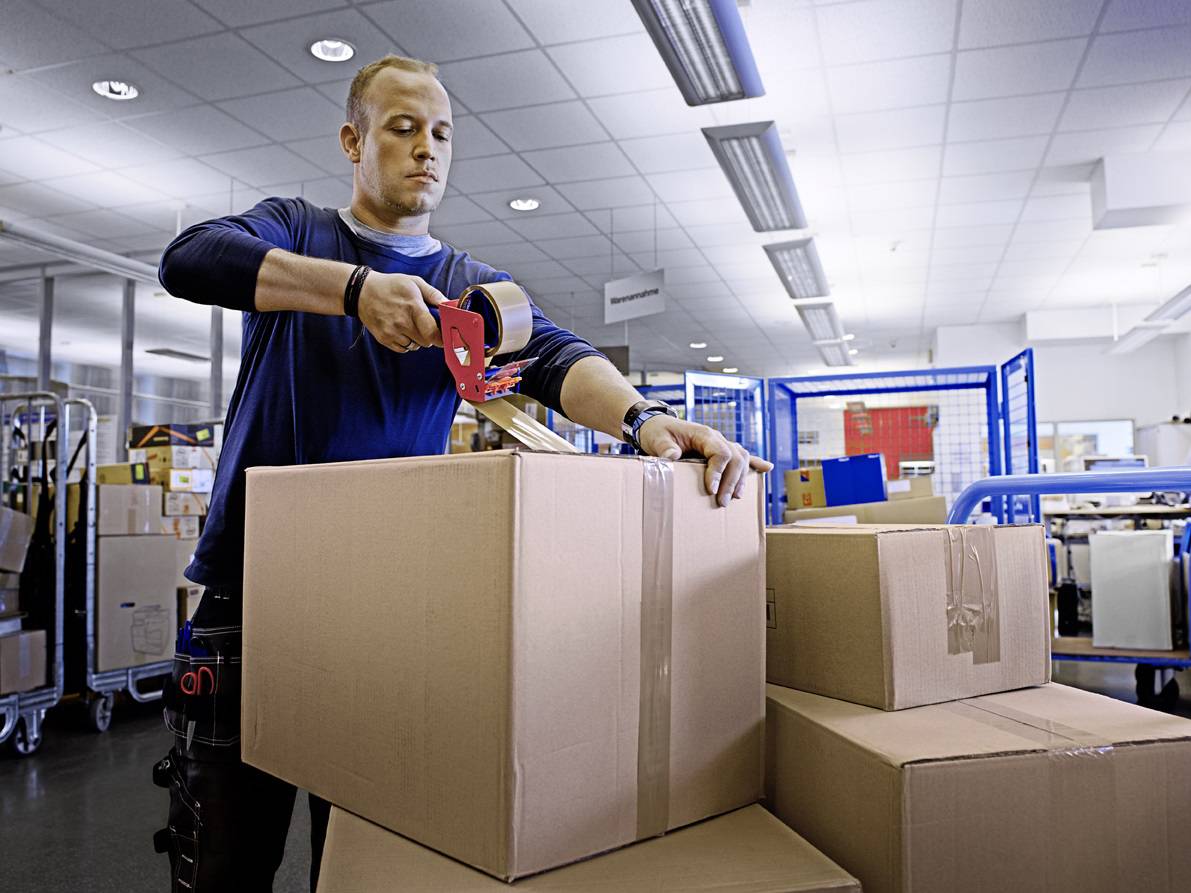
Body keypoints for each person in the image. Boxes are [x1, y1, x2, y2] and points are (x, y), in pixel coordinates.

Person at [151, 53, 771, 892]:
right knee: (224, 854)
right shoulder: (298, 231)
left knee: (364, 856)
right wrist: (354, 289)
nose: (425, 149)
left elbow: (557, 357)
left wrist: (645, 419)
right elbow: (190, 258)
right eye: (402, 128)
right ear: (353, 140)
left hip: (385, 608)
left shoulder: (467, 288)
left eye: (440, 133)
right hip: (246, 595)